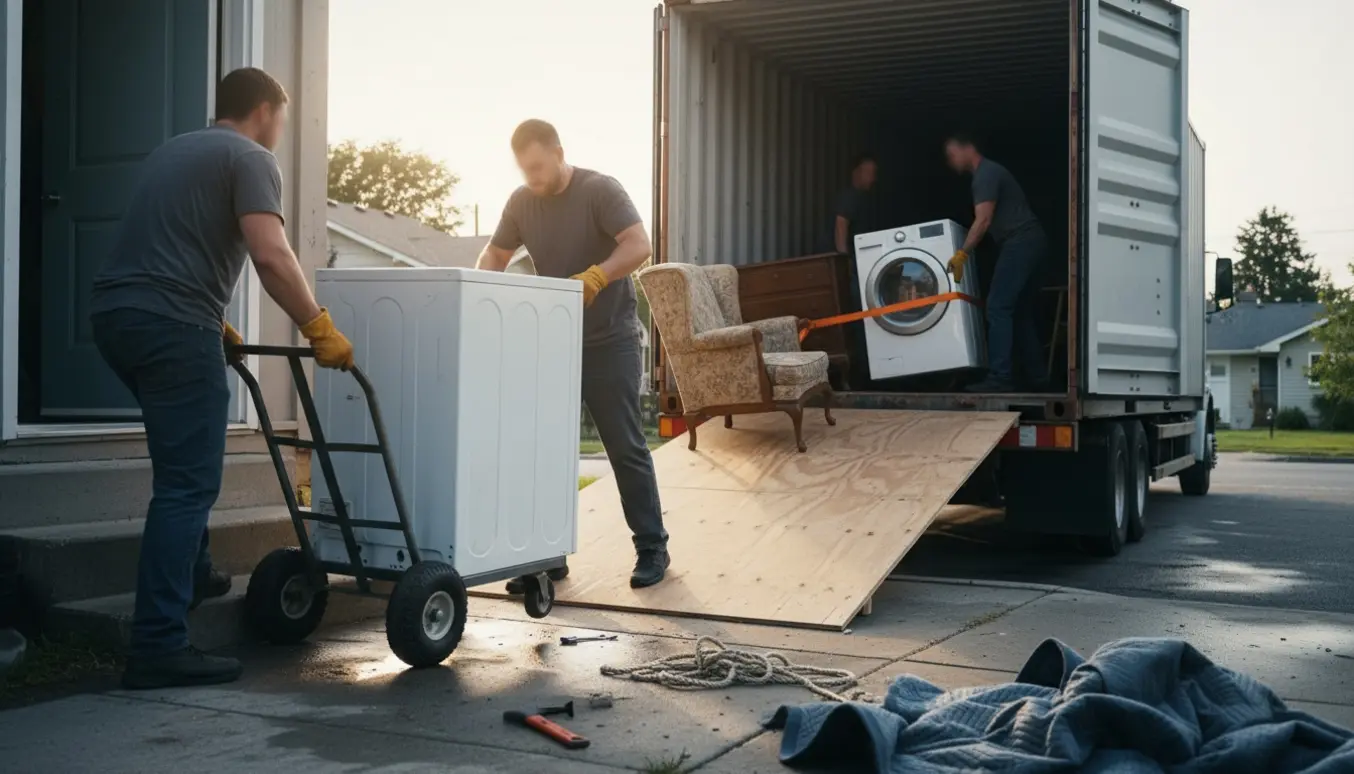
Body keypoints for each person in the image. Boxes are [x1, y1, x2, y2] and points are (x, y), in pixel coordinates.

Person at [88, 67, 355, 689]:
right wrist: (316, 325)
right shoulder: (252, 157)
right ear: (266, 111)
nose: (280, 131)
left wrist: (214, 320)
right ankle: (157, 644)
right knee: (188, 484)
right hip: (172, 325)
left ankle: (195, 573)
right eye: (281, 120)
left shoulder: (173, 151)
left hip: (116, 317)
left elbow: (166, 245)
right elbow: (270, 253)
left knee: (181, 465)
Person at [476, 119, 670, 589]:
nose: (532, 178)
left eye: (538, 167)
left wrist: (597, 276)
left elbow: (639, 245)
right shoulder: (521, 202)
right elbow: (494, 257)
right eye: (524, 169)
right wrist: (477, 296)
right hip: (555, 342)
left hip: (611, 340)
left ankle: (652, 548)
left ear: (559, 153)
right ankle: (547, 556)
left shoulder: (600, 190)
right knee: (544, 450)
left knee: (624, 447)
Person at [943, 132, 1048, 393]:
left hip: (1020, 241)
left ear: (967, 147)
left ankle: (1000, 377)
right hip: (1031, 241)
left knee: (997, 307)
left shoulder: (985, 174)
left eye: (952, 154)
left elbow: (983, 221)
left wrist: (961, 254)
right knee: (1019, 311)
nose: (950, 161)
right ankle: (1038, 377)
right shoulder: (989, 173)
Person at [831, 153, 879, 256]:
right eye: (868, 173)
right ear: (856, 173)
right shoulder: (849, 197)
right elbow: (841, 225)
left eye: (873, 174)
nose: (872, 179)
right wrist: (843, 258)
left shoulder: (864, 198)